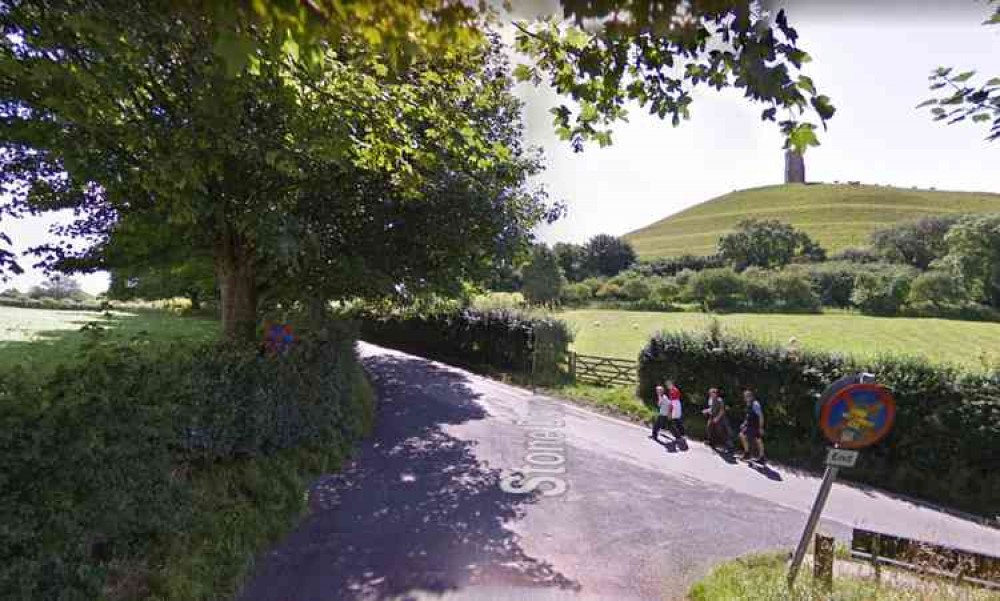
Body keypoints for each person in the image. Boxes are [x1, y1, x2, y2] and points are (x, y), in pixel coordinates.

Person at [739, 389, 766, 462]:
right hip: (750, 424)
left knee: (743, 435)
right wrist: (744, 423)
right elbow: (748, 415)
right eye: (745, 396)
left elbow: (761, 416)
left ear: (751, 396)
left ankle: (747, 454)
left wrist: (760, 427)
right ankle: (762, 457)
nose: (746, 398)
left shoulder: (755, 404)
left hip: (754, 425)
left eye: (747, 396)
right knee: (758, 439)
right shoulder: (749, 403)